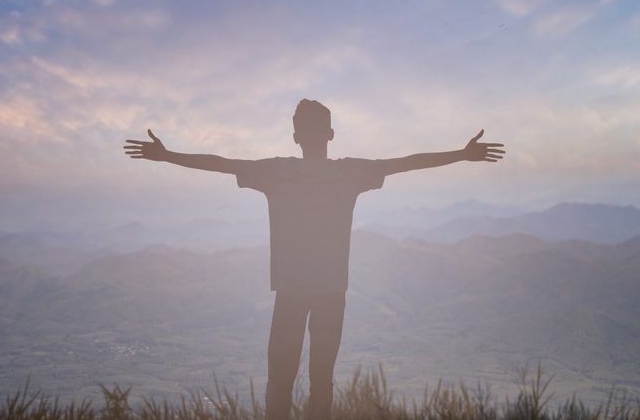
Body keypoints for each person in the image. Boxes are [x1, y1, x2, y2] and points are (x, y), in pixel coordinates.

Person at [124, 99, 505, 420]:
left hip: (290, 295)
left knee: (280, 383)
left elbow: (222, 163)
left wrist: (167, 155)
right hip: (330, 296)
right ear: (330, 134)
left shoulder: (276, 172)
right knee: (321, 382)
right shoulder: (350, 172)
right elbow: (406, 162)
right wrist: (462, 154)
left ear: (296, 137)